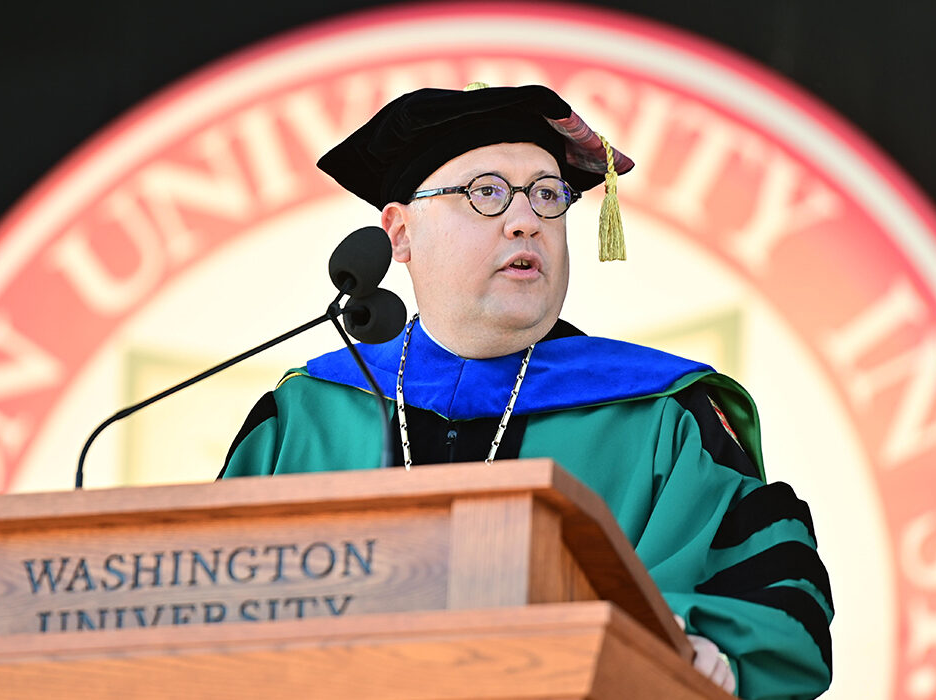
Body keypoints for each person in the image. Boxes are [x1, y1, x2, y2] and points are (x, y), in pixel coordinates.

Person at [220, 84, 833, 699]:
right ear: (399, 234)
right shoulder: (307, 415)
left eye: (547, 196)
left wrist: (708, 645)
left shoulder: (660, 417)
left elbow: (777, 603)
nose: (526, 221)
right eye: (486, 192)